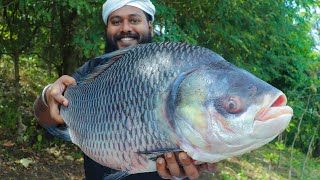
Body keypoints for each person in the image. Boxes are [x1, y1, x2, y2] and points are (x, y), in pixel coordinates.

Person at [33, 0, 217, 179]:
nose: (125, 28)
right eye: (116, 21)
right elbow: (46, 117)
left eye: (134, 20)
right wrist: (47, 94)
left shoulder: (174, 66)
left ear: (150, 26)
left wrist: (191, 165)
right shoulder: (91, 71)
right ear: (107, 28)